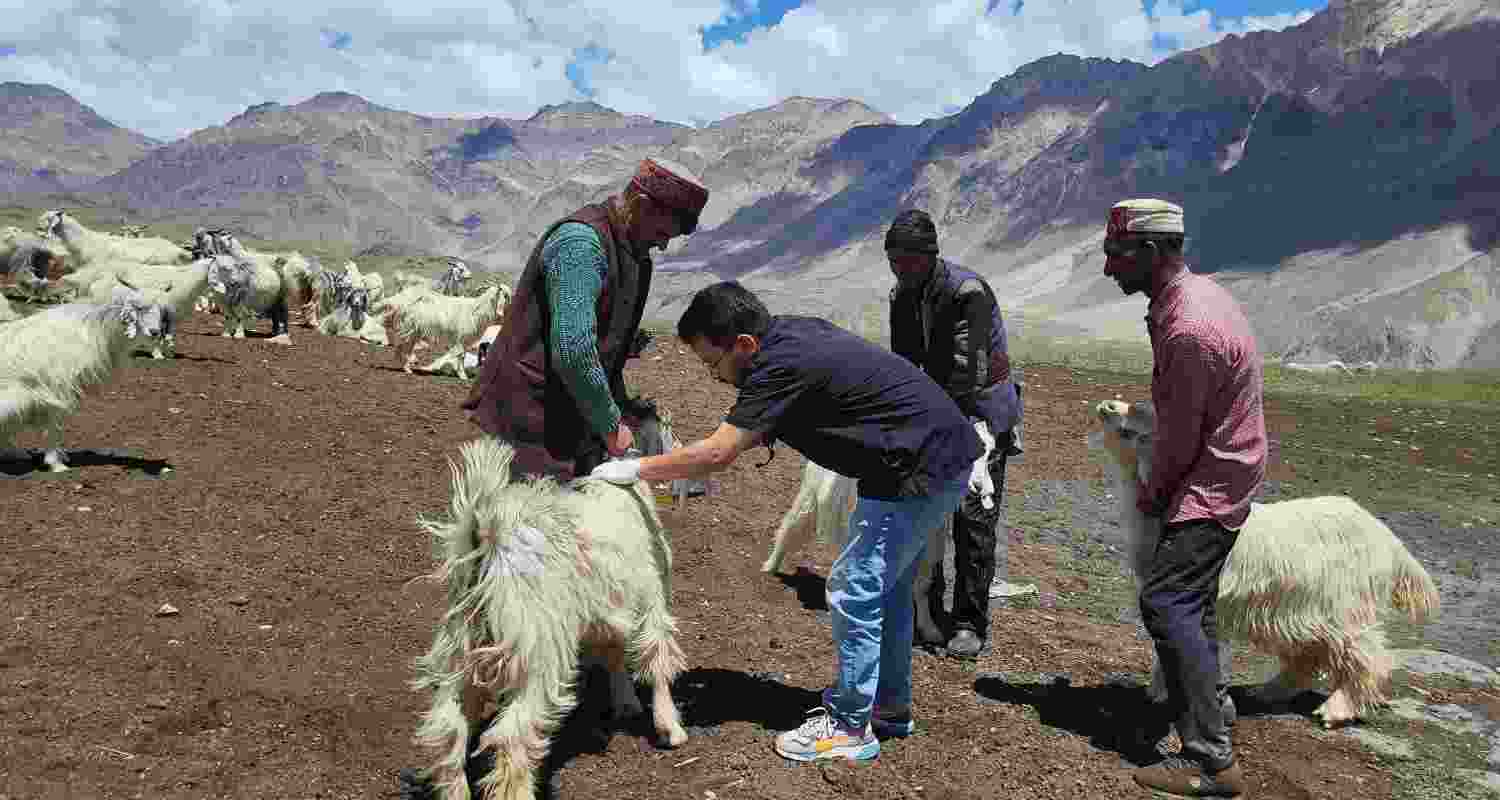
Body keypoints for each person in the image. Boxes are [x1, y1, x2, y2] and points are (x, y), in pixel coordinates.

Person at [588, 281, 981, 762]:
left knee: (854, 588)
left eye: (715, 364)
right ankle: (888, 707)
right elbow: (749, 433)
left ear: (745, 345)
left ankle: (850, 726)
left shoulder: (778, 366)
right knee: (888, 590)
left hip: (917, 467)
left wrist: (635, 468)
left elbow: (719, 451)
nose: (715, 378)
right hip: (928, 456)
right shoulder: (790, 337)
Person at [1103, 198, 1265, 798]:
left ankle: (1210, 763)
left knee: (1166, 603)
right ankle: (1212, 708)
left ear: (1150, 252)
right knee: (1190, 603)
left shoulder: (1188, 326)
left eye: (1116, 255)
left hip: (1213, 474)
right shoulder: (1184, 301)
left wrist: (1153, 492)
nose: (1108, 268)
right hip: (1225, 459)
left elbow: (1179, 435)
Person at [461, 157, 709, 481]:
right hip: (530, 415)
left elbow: (610, 349)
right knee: (526, 524)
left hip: (571, 415)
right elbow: (573, 348)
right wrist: (610, 424)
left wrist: (623, 408)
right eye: (662, 231)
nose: (662, 244)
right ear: (640, 203)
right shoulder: (580, 245)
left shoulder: (635, 256)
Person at [884, 209, 1023, 660]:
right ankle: (930, 609)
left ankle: (968, 622)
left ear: (930, 256)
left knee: (973, 517)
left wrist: (924, 414)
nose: (902, 271)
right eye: (894, 262)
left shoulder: (968, 293)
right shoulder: (901, 296)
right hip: (936, 411)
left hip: (979, 412)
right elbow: (904, 361)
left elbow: (967, 374)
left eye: (909, 262)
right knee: (929, 514)